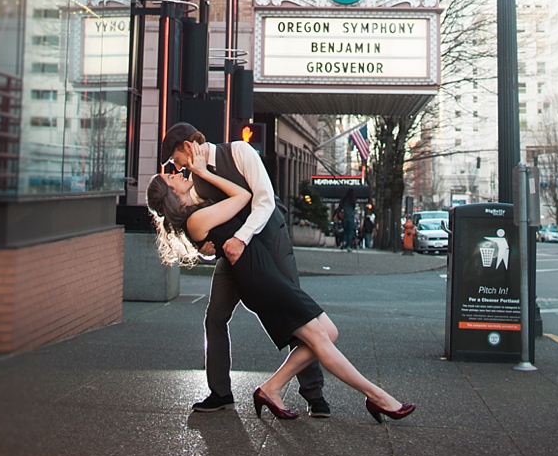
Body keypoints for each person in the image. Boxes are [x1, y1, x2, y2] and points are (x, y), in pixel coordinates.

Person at [149, 148, 414, 423]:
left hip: (264, 269)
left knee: (329, 332)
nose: (177, 173)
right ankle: (378, 398)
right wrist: (203, 172)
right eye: (170, 178)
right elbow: (243, 197)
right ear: (170, 195)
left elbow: (223, 225)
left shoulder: (198, 208)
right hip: (258, 278)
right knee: (320, 338)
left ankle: (271, 388)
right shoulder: (195, 219)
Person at [156, 125, 331, 417]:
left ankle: (314, 394)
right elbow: (207, 229)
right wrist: (206, 249)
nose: (177, 167)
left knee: (296, 312)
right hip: (235, 254)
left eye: (176, 159)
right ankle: (220, 392)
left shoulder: (240, 151)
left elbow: (263, 200)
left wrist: (241, 238)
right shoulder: (195, 185)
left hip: (269, 238)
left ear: (188, 146)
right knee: (215, 317)